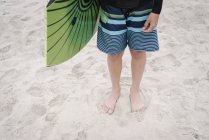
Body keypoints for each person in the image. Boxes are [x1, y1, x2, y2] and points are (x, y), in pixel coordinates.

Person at [97, 0, 163, 114]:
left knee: (138, 50)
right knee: (114, 53)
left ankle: (135, 90)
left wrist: (157, 10)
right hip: (110, 5)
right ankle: (115, 90)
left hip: (143, 5)